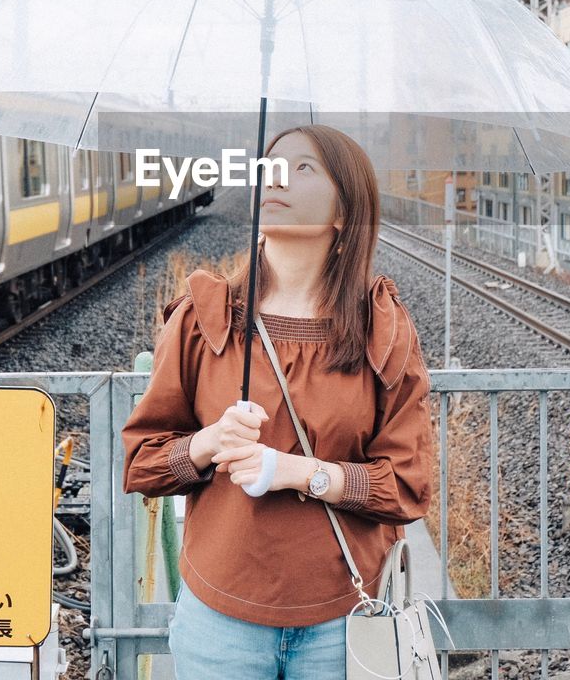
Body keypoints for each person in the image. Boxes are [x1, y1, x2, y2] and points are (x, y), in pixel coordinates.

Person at [121, 124, 436, 679]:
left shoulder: (381, 330)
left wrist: (300, 472)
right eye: (269, 165)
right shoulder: (205, 319)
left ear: (344, 211)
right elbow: (143, 461)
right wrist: (206, 444)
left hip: (343, 622)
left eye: (304, 168)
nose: (277, 178)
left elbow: (408, 485)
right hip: (220, 625)